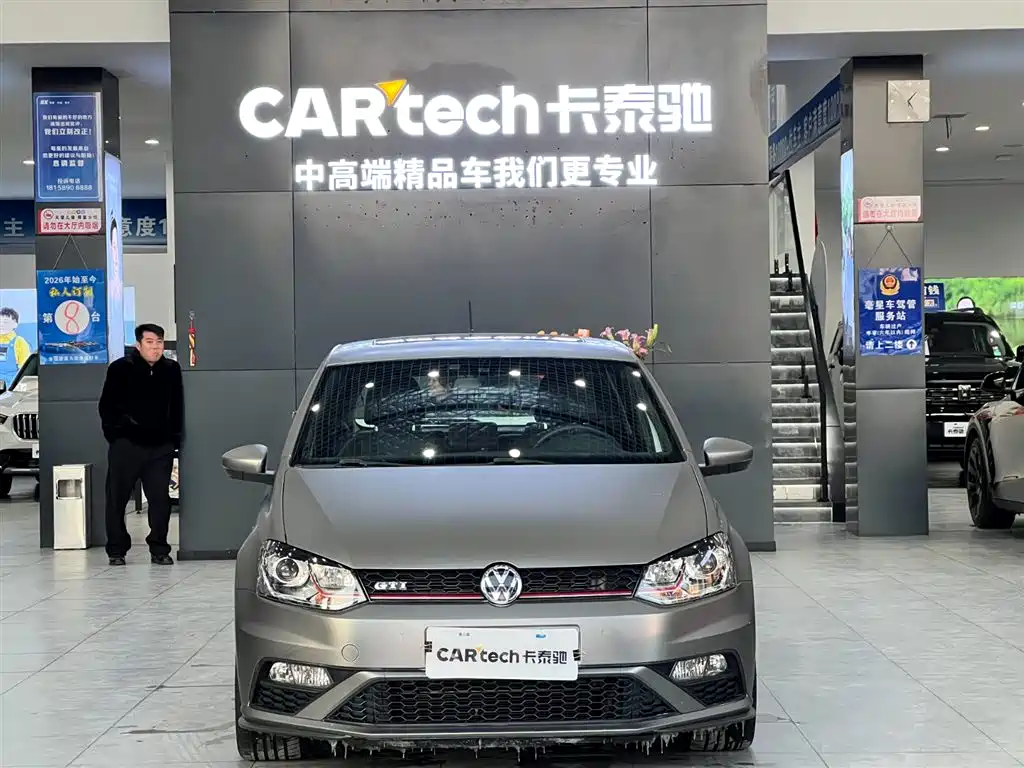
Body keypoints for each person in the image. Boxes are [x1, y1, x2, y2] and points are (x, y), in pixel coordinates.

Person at [99, 323, 183, 566]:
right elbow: (107, 406)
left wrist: (174, 438)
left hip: (160, 447)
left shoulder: (171, 369)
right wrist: (117, 434)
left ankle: (159, 549)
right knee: (117, 499)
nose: (155, 348)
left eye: (159, 342)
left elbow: (177, 406)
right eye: (150, 342)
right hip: (127, 445)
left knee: (160, 500)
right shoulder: (120, 369)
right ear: (138, 344)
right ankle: (116, 550)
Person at [0, 307, 32, 390]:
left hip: (11, 387)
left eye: (5, 322)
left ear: (15, 324)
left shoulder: (19, 342)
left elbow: (24, 369)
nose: (1, 325)